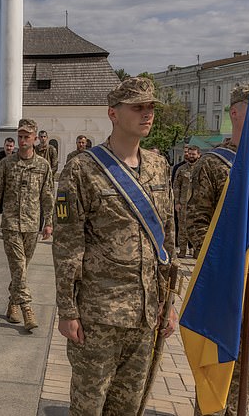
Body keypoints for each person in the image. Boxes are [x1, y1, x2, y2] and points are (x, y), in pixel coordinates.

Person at [53, 77, 177, 415]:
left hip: (145, 315)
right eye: (138, 107)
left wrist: (169, 304)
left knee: (128, 406)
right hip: (98, 316)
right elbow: (67, 245)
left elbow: (167, 242)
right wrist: (67, 310)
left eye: (151, 107)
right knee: (88, 406)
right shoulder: (81, 169)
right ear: (113, 113)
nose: (147, 114)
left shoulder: (159, 166)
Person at [188, 84, 249, 416]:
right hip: (229, 287)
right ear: (235, 112)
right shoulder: (214, 164)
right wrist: (235, 263)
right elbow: (196, 224)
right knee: (219, 366)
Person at [0, 118, 54, 331]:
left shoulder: (43, 166)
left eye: (26, 137)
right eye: (20, 137)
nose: (22, 141)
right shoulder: (6, 163)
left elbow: (47, 196)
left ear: (34, 138)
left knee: (21, 268)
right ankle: (27, 308)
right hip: (11, 224)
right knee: (19, 267)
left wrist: (48, 223)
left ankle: (12, 302)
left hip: (32, 224)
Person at [173, 144, 200, 258]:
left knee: (196, 227)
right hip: (183, 203)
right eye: (189, 154)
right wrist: (177, 202)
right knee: (182, 227)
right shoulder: (181, 169)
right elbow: (176, 186)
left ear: (199, 155)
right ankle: (182, 250)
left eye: (193, 154)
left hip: (198, 205)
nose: (191, 156)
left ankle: (196, 251)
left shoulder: (202, 168)